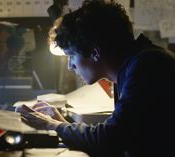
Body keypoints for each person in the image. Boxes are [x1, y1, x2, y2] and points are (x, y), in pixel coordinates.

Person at [17, 1, 175, 157]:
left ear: (95, 52)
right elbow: (118, 138)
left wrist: (52, 124)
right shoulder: (134, 65)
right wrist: (62, 124)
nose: (70, 66)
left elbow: (111, 139)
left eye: (71, 56)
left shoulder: (148, 65)